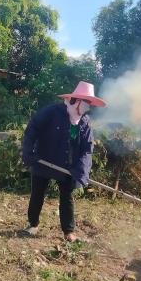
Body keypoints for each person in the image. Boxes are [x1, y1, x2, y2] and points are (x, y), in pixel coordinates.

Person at [22, 81, 106, 242]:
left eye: (89, 104)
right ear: (75, 101)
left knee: (67, 198)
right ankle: (33, 224)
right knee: (37, 194)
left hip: (68, 167)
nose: (87, 107)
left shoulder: (84, 121)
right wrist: (28, 152)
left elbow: (87, 148)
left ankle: (68, 231)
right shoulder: (52, 112)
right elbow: (32, 129)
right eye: (85, 102)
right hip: (44, 160)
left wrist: (81, 170)